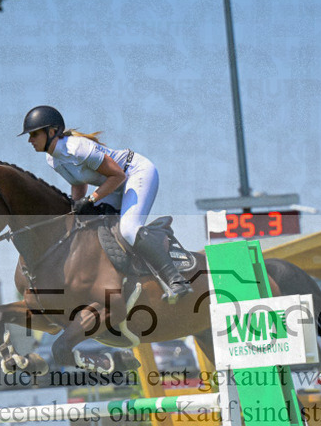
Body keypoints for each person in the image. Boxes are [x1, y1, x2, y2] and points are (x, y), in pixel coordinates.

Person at [18, 105, 191, 303]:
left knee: (128, 229)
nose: (30, 140)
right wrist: (75, 207)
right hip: (113, 184)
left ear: (51, 132)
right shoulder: (53, 159)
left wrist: (91, 199)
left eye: (34, 134)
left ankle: (176, 279)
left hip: (135, 173)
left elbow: (118, 175)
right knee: (90, 229)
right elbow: (78, 183)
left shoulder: (77, 148)